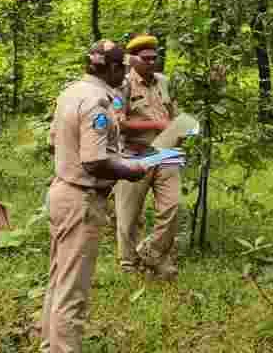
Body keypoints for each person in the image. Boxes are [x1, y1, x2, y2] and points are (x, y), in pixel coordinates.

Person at [43, 40, 149, 353]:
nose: (126, 76)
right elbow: (94, 161)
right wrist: (130, 169)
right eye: (124, 70)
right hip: (82, 198)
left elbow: (55, 142)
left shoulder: (71, 92)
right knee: (73, 291)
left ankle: (50, 345)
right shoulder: (98, 103)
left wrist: (116, 153)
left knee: (59, 278)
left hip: (61, 190)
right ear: (114, 69)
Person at [115, 34, 181, 280]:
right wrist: (154, 124)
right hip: (135, 153)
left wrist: (178, 130)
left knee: (172, 206)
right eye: (146, 58)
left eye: (155, 57)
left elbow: (173, 112)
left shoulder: (164, 81)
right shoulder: (122, 84)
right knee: (128, 214)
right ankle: (128, 264)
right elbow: (117, 123)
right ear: (133, 60)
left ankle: (151, 251)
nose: (152, 62)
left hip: (166, 152)